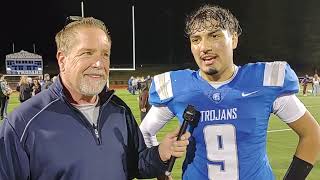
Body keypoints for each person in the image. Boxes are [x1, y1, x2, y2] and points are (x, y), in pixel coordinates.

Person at [140, 4, 320, 180]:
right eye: (196, 39)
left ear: (233, 39)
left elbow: (312, 134)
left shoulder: (264, 80)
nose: (204, 47)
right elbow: (145, 132)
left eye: (214, 35)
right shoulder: (177, 86)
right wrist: (161, 173)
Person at [0, 17, 191, 180]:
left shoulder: (119, 110)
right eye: (87, 53)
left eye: (105, 54)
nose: (99, 63)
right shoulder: (22, 123)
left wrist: (160, 153)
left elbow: (136, 166)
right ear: (62, 59)